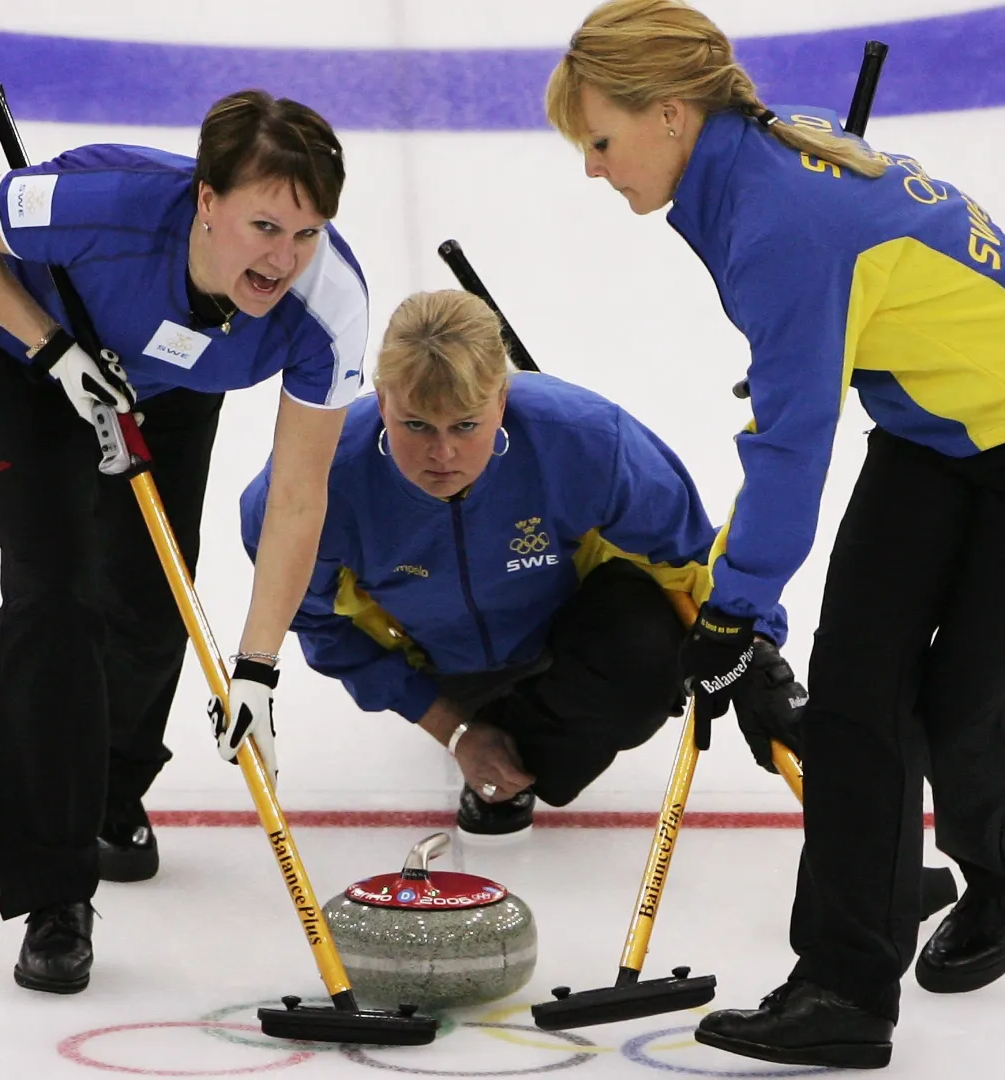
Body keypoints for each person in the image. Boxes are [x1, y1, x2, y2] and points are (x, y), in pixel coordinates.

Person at [546, 0, 1005, 1068]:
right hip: (935, 425)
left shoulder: (776, 219)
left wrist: (737, 607)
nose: (591, 169)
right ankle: (843, 987)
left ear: (673, 114)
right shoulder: (749, 163)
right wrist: (816, 348)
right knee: (861, 686)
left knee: (963, 702)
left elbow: (792, 446)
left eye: (598, 140)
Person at [0, 90, 367, 994]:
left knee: (156, 602)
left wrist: (259, 668)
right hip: (12, 352)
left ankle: (109, 797)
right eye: (264, 225)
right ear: (207, 200)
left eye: (307, 233)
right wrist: (50, 348)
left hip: (169, 376)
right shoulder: (102, 207)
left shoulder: (326, 304)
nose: (284, 260)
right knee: (56, 599)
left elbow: (299, 497)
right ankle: (53, 892)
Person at [239, 290, 805, 835]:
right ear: (381, 399)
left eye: (466, 426)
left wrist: (755, 655)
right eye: (416, 425)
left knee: (646, 663)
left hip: (575, 631)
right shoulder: (311, 487)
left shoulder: (584, 439)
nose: (443, 455)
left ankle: (526, 744)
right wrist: (454, 729)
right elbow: (316, 621)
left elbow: (689, 557)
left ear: (502, 400)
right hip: (444, 666)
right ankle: (488, 727)